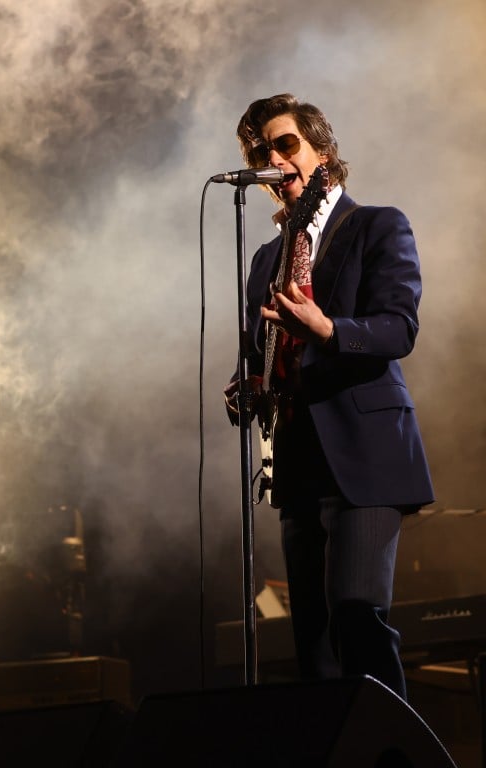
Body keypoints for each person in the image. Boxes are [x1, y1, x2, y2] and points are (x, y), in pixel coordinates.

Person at [223, 94, 433, 700]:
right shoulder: (266, 257)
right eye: (261, 152)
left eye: (286, 144)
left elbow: (400, 327)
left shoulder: (376, 225)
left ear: (322, 150)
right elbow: (258, 353)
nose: (274, 158)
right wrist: (247, 386)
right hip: (297, 461)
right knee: (311, 644)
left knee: (356, 615)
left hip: (366, 455)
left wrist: (330, 329)